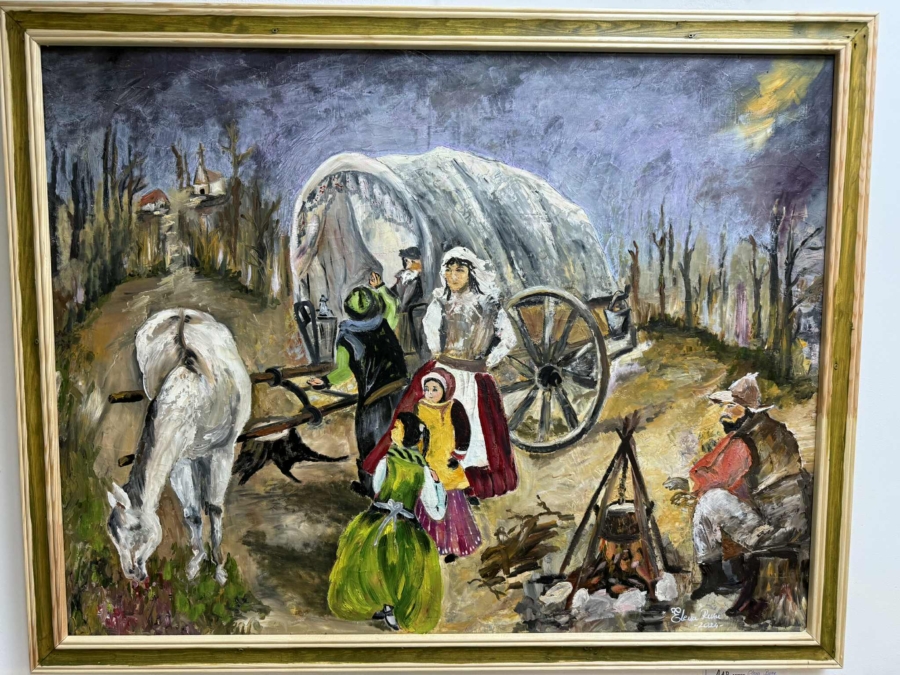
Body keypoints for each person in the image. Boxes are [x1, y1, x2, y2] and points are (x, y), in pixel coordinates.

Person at [364, 246, 519, 500]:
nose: (453, 276)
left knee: (471, 431)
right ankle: (425, 478)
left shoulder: (489, 305)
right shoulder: (441, 302)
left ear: (471, 273)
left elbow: (508, 338)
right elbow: (430, 327)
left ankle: (465, 483)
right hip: (444, 372)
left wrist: (489, 360)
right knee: (428, 424)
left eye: (460, 270)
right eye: (449, 270)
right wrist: (439, 353)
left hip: (474, 377)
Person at [665, 373, 811, 601]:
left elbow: (718, 479)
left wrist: (686, 484)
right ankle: (733, 573)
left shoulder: (746, 440)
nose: (724, 413)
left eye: (731, 406)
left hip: (775, 530)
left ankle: (714, 577)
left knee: (710, 501)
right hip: (798, 523)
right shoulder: (775, 430)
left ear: (747, 410)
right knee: (729, 500)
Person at [327, 412, 447, 633]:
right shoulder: (423, 470)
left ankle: (385, 604)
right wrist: (438, 485)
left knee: (373, 556)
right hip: (405, 524)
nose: (392, 431)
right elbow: (437, 512)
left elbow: (377, 489)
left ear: (407, 434)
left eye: (397, 428)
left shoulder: (387, 460)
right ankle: (388, 606)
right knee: (399, 562)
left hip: (377, 519)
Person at [308, 286, 407, 497]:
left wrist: (324, 381)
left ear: (349, 310)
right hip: (401, 390)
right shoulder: (384, 323)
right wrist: (381, 288)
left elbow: (344, 372)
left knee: (370, 443)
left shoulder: (347, 337)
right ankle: (399, 484)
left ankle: (371, 488)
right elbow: (393, 306)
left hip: (374, 398)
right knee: (398, 439)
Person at [413, 369, 482, 561]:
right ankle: (429, 544)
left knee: (451, 502)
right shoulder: (420, 407)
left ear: (445, 390)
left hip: (446, 459)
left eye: (434, 389)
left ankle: (454, 545)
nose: (430, 393)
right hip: (428, 460)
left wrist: (458, 455)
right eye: (427, 389)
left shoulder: (453, 407)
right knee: (428, 498)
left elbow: (464, 432)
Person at [390, 246, 425, 355]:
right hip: (399, 314)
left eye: (413, 261)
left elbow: (412, 298)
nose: (409, 264)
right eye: (407, 261)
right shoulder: (403, 277)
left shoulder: (420, 279)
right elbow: (394, 292)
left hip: (410, 315)